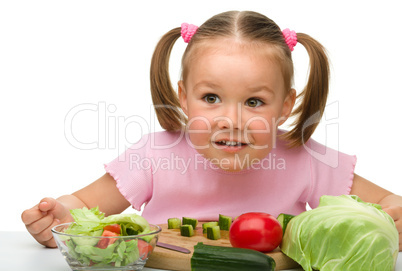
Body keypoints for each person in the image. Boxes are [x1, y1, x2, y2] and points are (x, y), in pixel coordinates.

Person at [21, 10, 402, 250]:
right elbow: (82, 205)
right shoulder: (154, 156)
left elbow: (389, 204)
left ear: (286, 105)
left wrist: (394, 220)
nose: (230, 119)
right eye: (211, 98)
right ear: (183, 97)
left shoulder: (307, 159)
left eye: (254, 102)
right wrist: (57, 216)